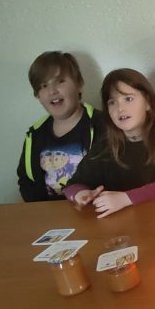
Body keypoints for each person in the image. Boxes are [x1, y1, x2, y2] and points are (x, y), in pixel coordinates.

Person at [65, 69, 155, 217]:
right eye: (112, 102)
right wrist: (82, 194)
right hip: (121, 229)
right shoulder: (105, 145)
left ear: (148, 103)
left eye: (128, 99)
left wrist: (126, 198)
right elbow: (72, 185)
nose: (120, 108)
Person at [17, 51, 105, 202]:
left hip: (93, 211)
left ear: (79, 84)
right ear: (38, 96)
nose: (52, 91)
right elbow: (27, 182)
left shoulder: (103, 125)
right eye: (43, 85)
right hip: (51, 217)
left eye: (60, 81)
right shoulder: (35, 135)